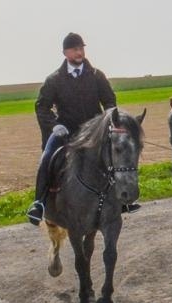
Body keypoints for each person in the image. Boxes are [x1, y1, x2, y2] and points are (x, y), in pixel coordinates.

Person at [28, 32, 121, 224]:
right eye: (75, 49)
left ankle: (124, 198)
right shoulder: (54, 79)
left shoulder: (96, 76)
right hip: (66, 133)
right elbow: (41, 107)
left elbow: (109, 101)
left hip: (95, 132)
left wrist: (109, 118)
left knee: (119, 152)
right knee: (47, 157)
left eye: (81, 48)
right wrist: (55, 126)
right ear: (65, 53)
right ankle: (39, 203)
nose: (79, 52)